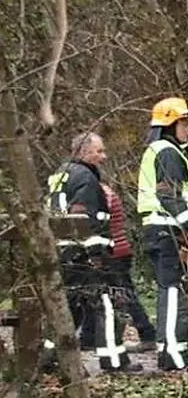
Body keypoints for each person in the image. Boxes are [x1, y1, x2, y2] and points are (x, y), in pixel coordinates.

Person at [44, 131, 141, 373]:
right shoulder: (86, 178)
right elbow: (88, 221)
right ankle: (114, 360)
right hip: (85, 255)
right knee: (109, 303)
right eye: (99, 151)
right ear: (83, 152)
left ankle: (49, 356)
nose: (103, 156)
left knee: (69, 306)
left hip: (63, 253)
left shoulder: (60, 174)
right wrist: (97, 256)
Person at [136, 97, 188, 371]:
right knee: (171, 293)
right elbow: (169, 195)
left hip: (167, 230)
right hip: (167, 230)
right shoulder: (167, 153)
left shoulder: (168, 152)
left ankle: (177, 350)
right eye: (184, 123)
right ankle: (171, 355)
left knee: (177, 291)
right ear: (170, 124)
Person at [80, 180, 157, 353]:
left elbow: (98, 223)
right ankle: (88, 337)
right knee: (98, 294)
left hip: (113, 252)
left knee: (123, 295)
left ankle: (147, 334)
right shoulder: (101, 191)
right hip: (116, 250)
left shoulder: (100, 193)